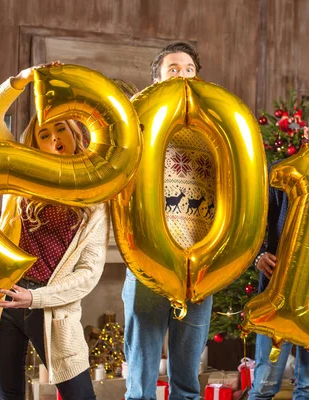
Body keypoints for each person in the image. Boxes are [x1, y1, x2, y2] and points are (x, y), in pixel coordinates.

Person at [0, 63, 109, 400]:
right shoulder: (20, 172)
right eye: (44, 134)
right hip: (3, 300)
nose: (54, 138)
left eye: (60, 129)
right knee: (8, 395)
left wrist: (35, 297)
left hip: (52, 310)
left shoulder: (94, 198)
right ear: (36, 143)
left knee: (80, 396)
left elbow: (89, 273)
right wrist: (22, 79)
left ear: (75, 134)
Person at [122, 42, 215, 400]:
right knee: (141, 371)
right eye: (173, 69)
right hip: (148, 260)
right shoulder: (138, 124)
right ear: (157, 79)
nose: (182, 75)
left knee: (188, 371)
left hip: (198, 264)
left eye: (189, 69)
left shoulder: (214, 130)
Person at [249, 102, 309, 400]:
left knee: (308, 386)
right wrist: (258, 255)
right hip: (279, 297)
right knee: (265, 384)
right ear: (307, 132)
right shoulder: (282, 173)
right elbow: (254, 224)